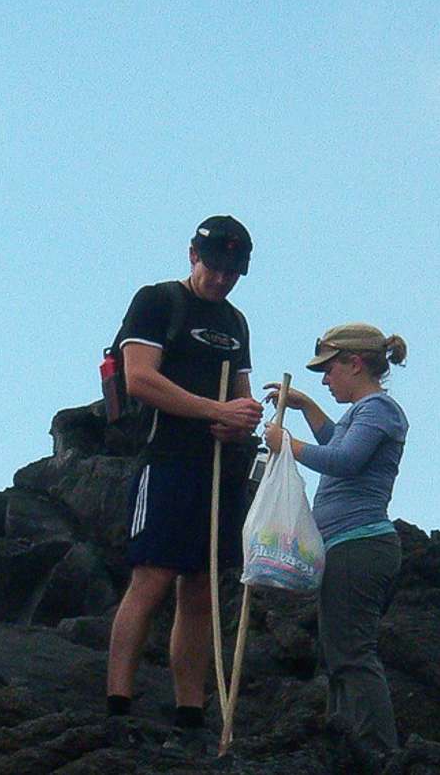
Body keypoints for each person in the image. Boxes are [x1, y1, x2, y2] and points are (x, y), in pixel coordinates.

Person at [104, 216, 264, 743]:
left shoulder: (236, 322)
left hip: (216, 466)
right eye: (214, 266)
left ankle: (190, 711)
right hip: (165, 456)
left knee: (201, 586)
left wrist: (240, 419)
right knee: (151, 577)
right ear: (194, 256)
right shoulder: (158, 301)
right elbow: (140, 378)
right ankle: (118, 701)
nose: (221, 279)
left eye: (232, 271)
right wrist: (212, 410)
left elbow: (241, 389)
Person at [263, 323, 410, 766]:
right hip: (348, 547)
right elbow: (337, 442)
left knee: (351, 654)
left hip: (359, 546)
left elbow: (345, 461)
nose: (325, 380)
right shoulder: (365, 413)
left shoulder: (380, 409)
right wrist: (306, 407)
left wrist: (287, 444)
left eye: (329, 370)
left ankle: (379, 755)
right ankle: (352, 745)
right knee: (340, 651)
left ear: (354, 363)